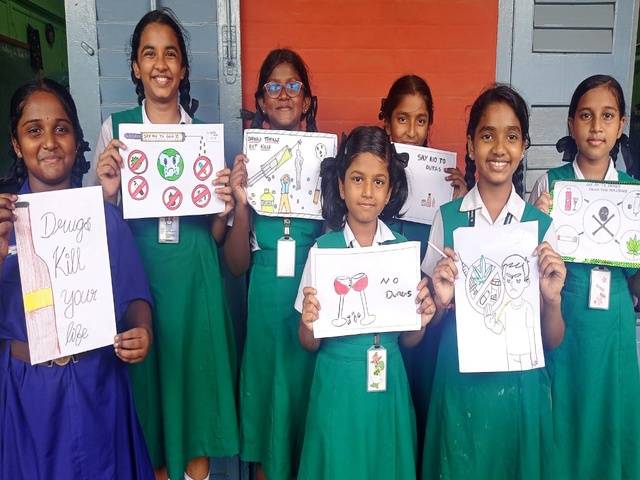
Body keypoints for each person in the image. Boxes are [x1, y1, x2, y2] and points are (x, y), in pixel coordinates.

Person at [94, 9, 238, 480]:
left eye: (171, 54)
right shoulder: (115, 132)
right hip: (141, 284)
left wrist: (221, 210)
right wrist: (107, 194)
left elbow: (215, 238)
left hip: (196, 286)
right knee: (150, 407)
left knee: (194, 408)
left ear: (183, 67)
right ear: (135, 67)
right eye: (149, 53)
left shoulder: (203, 138)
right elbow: (98, 232)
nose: (161, 64)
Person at [0, 78, 154, 479]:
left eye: (61, 128)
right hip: (29, 393)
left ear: (76, 138)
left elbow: (134, 294)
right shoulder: (3, 224)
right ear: (16, 144)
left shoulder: (103, 217)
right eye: (34, 131)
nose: (49, 142)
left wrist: (142, 330)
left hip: (97, 383)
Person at [422, 84, 566, 479]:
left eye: (511, 136)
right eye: (487, 136)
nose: (499, 148)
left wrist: (552, 300)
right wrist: (440, 301)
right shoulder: (447, 218)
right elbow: (428, 321)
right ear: (470, 145)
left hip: (520, 387)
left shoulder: (540, 227)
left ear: (523, 147)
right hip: (459, 380)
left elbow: (552, 339)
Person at [296, 126, 436, 479]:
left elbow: (409, 340)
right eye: (358, 179)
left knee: (384, 464)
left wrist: (421, 322)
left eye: (378, 182)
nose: (368, 191)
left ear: (389, 192)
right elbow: (308, 343)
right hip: (338, 383)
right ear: (342, 187)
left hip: (388, 382)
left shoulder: (401, 251)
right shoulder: (323, 251)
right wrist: (308, 323)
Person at [528, 74, 640, 479]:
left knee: (609, 420)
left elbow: (636, 285)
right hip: (563, 321)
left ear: (621, 124)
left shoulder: (633, 192)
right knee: (562, 419)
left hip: (613, 328)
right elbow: (527, 266)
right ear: (571, 123)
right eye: (586, 115)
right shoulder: (550, 185)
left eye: (607, 116)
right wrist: (536, 222)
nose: (596, 126)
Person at [224, 48, 320, 480]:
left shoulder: (326, 165)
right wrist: (241, 202)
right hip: (265, 314)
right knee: (269, 428)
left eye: (293, 86)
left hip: (310, 312)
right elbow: (236, 266)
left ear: (306, 100)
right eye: (274, 86)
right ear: (261, 101)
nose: (284, 94)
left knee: (307, 424)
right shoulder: (247, 169)